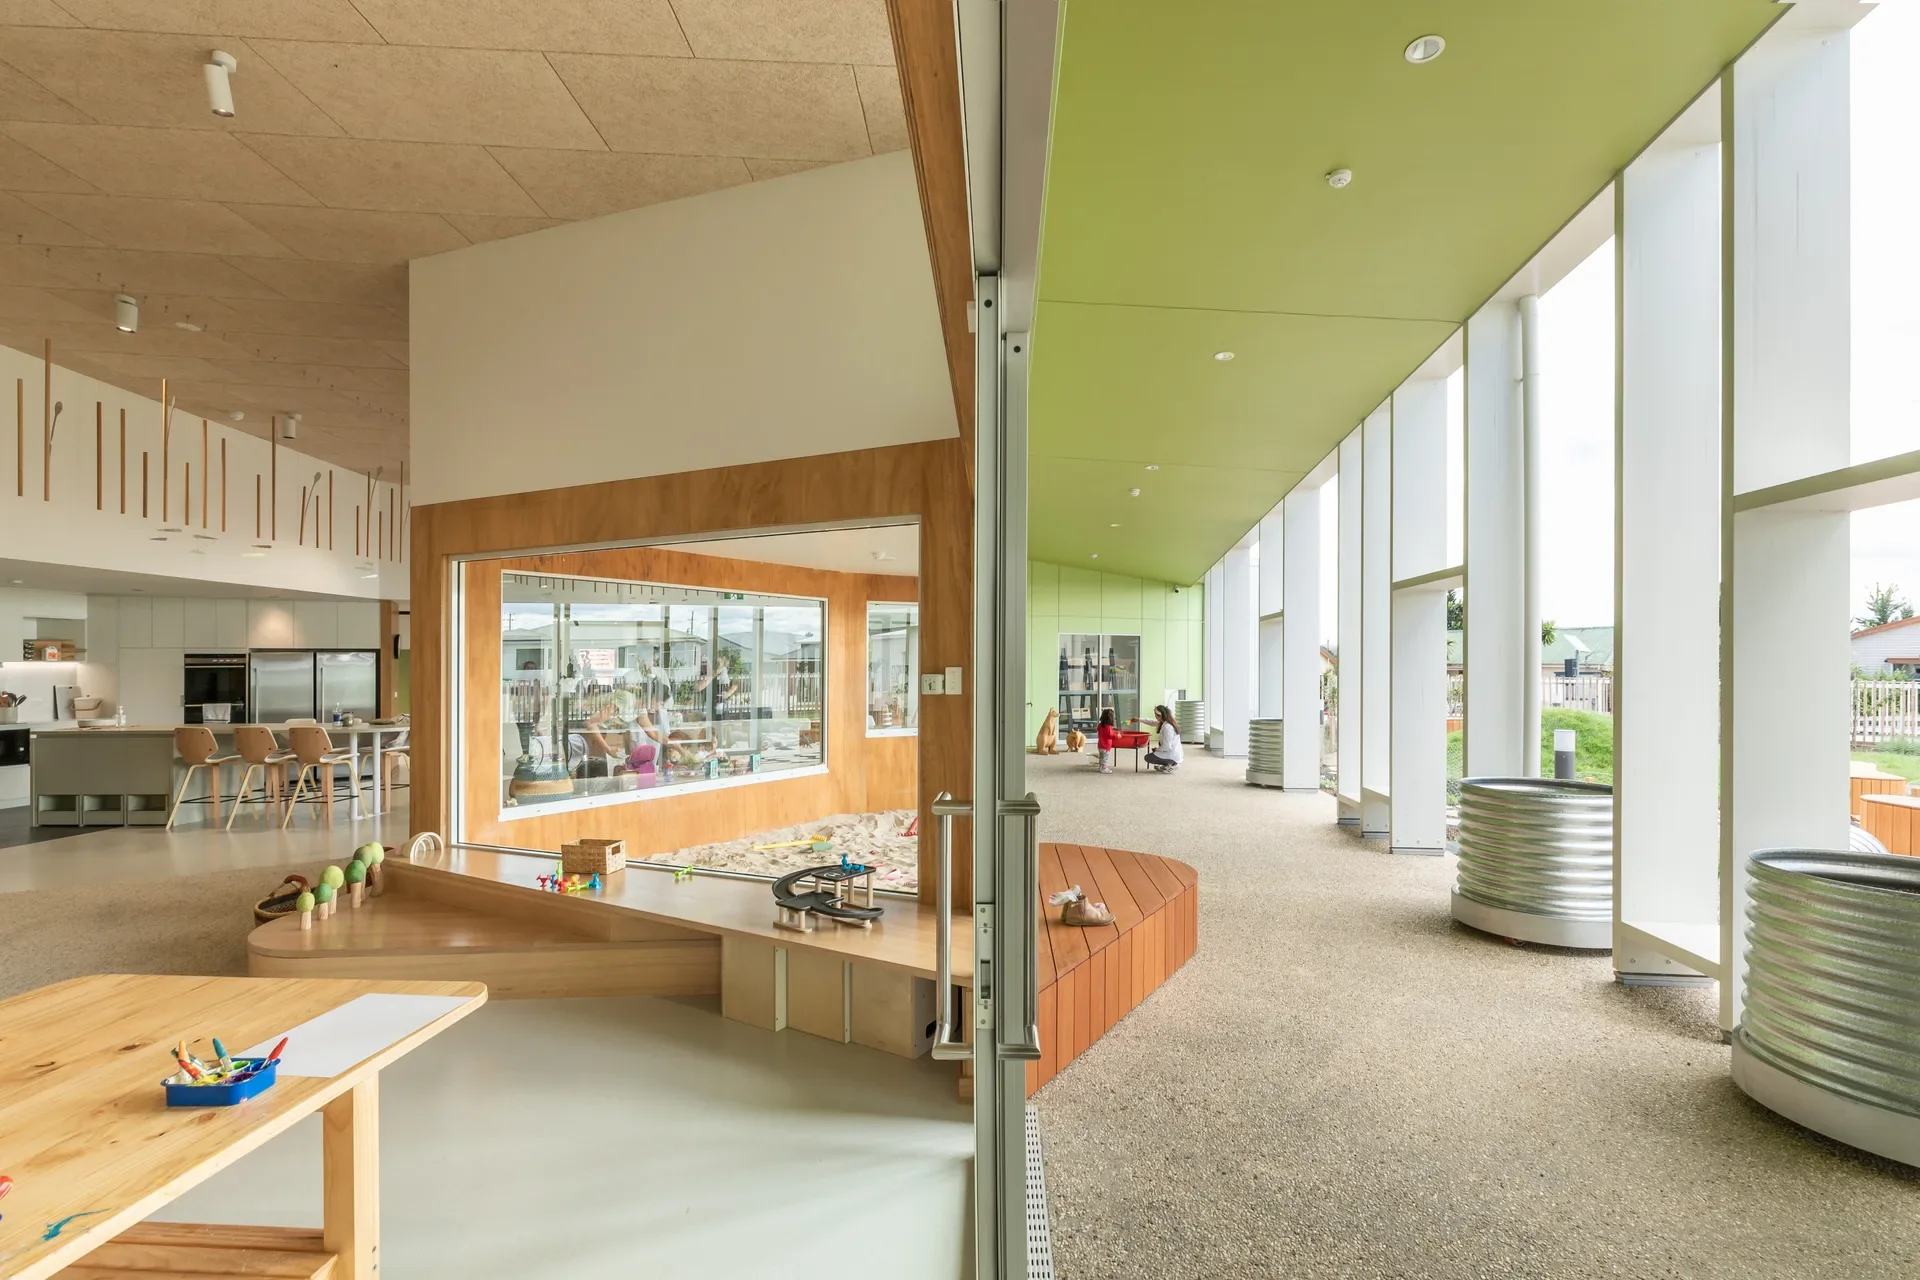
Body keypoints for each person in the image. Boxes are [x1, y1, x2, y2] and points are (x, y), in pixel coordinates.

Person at [1144, 704, 1182, 773]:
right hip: (1171, 752)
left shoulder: (1168, 727)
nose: (1154, 716)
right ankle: (1168, 764)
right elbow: (1151, 722)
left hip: (1171, 754)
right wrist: (1138, 720)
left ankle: (1172, 764)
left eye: (1155, 715)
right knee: (1154, 753)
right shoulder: (1165, 722)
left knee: (1148, 757)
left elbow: (1166, 746)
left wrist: (1157, 750)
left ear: (1160, 715)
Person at [1095, 708, 1117, 775]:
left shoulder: (1100, 725)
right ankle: (1104, 768)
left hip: (1100, 745)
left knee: (1101, 757)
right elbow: (1110, 735)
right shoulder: (1108, 727)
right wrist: (1116, 736)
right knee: (1105, 758)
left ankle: (1101, 767)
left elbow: (1099, 732)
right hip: (1106, 745)